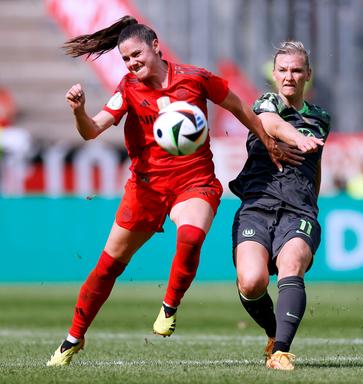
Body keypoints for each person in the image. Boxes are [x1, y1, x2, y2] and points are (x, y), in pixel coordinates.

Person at [46, 16, 305, 367]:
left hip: (194, 182)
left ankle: (169, 306)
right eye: (126, 59)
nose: (132, 63)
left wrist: (266, 140)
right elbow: (92, 131)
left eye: (136, 54)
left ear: (155, 46)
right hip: (145, 189)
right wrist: (79, 111)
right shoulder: (127, 89)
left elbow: (239, 107)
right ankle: (73, 338)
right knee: (108, 266)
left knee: (191, 234)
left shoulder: (195, 79)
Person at [229, 41, 329, 371]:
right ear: (274, 74)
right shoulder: (266, 103)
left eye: (297, 70)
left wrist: (311, 204)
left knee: (293, 262)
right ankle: (273, 333)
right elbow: (270, 124)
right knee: (252, 281)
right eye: (283, 70)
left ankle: (282, 352)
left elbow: (315, 167)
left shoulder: (321, 119)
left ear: (308, 75)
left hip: (299, 210)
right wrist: (295, 138)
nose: (289, 76)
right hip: (259, 205)